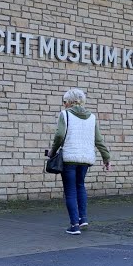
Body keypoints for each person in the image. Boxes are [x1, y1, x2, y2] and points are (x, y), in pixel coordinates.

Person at [47, 88, 111, 234]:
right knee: (80, 186)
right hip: (86, 158)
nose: (63, 104)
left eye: (64, 101)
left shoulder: (65, 114)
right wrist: (106, 157)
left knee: (70, 191)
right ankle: (83, 219)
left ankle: (74, 225)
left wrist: (53, 151)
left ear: (70, 102)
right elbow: (98, 140)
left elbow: (59, 135)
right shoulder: (92, 117)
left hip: (69, 158)